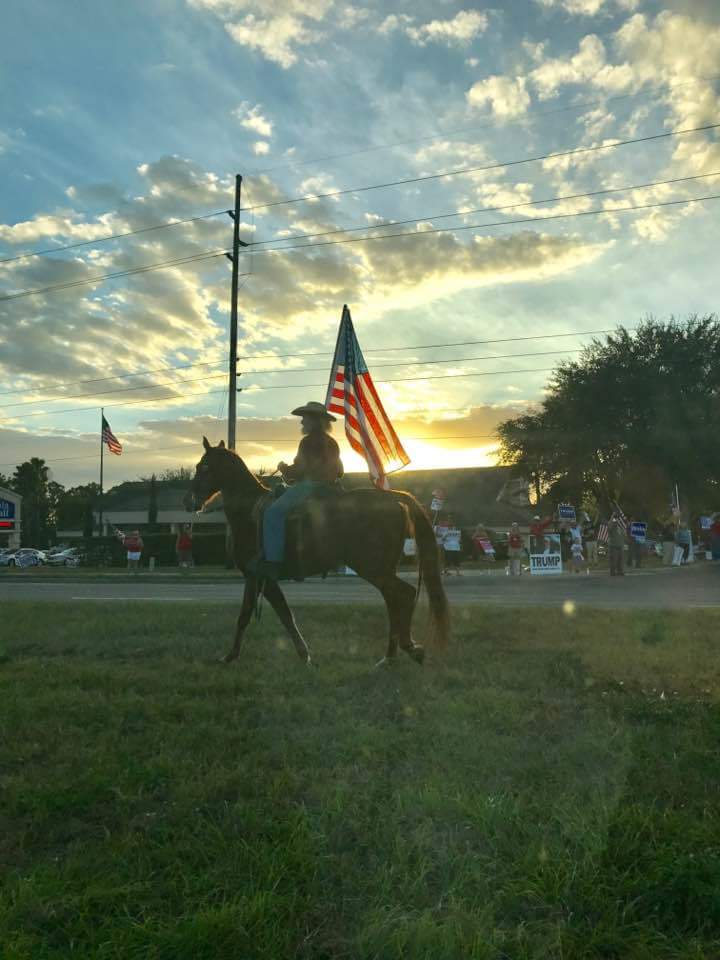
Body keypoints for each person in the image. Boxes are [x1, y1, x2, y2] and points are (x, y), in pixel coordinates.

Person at [252, 401, 344, 579]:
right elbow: (339, 471)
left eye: (305, 418)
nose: (302, 422)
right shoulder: (333, 443)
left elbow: (300, 470)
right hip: (331, 488)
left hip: (310, 487)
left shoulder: (308, 441)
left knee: (273, 513)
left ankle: (273, 562)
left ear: (315, 420)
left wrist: (284, 468)